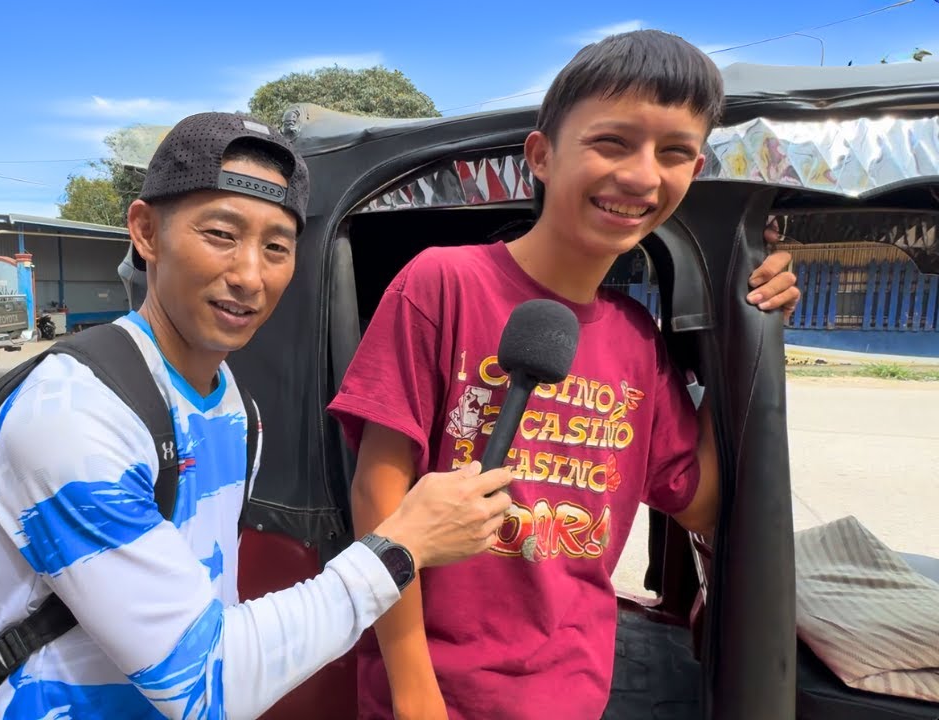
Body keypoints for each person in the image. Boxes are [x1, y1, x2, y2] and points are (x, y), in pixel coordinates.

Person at [0, 112, 516, 719]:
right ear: (145, 232)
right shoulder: (72, 418)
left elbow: (214, 604)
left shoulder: (231, 400)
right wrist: (401, 545)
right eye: (221, 235)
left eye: (276, 247)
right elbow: (202, 686)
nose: (250, 276)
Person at [326, 30, 801, 720]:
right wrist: (414, 690)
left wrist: (751, 328)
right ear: (542, 156)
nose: (642, 176)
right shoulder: (442, 284)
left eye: (671, 153)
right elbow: (379, 493)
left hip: (569, 692)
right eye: (612, 142)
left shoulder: (637, 340)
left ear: (693, 169)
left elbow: (698, 502)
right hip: (433, 689)